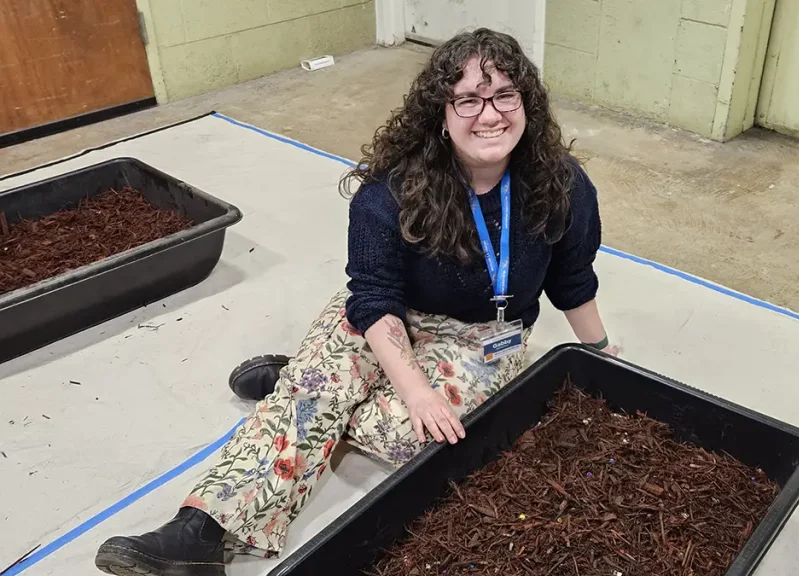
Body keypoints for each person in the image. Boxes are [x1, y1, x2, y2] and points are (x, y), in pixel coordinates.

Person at [93, 27, 617, 576]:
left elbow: (572, 277)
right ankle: (200, 535)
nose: (490, 114)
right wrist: (413, 388)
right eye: (468, 99)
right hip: (388, 317)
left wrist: (601, 352)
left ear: (526, 104)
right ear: (441, 112)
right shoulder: (391, 191)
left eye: (505, 95)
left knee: (424, 439)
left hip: (483, 337)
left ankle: (306, 383)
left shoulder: (562, 183)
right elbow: (373, 297)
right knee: (342, 401)